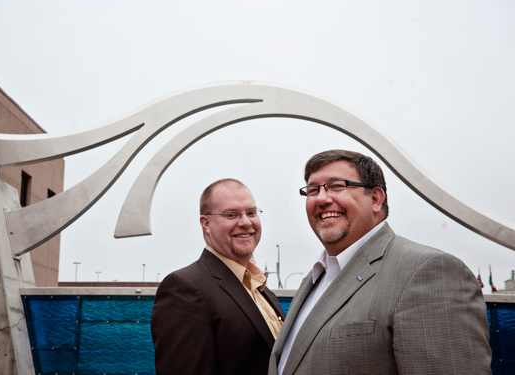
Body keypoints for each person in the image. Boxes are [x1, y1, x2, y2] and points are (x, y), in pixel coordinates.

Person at [270, 150, 491, 375]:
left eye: (337, 186)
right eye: (313, 190)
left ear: (376, 199)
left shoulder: (428, 271)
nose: (322, 198)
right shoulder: (315, 278)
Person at [151, 178, 285, 375]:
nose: (246, 222)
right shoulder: (184, 288)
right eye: (231, 215)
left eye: (251, 213)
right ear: (206, 223)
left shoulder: (260, 288)